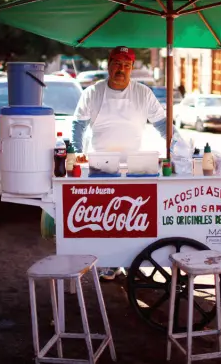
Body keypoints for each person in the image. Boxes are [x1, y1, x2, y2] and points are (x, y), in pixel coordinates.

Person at [71, 46, 176, 280]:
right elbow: (78, 125)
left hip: (135, 166)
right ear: (108, 65)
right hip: (100, 166)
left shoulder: (143, 93)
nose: (121, 69)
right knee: (104, 221)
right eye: (117, 63)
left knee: (133, 218)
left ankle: (131, 262)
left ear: (132, 68)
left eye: (127, 65)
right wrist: (77, 153)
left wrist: (175, 146)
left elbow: (162, 125)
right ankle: (108, 263)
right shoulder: (93, 92)